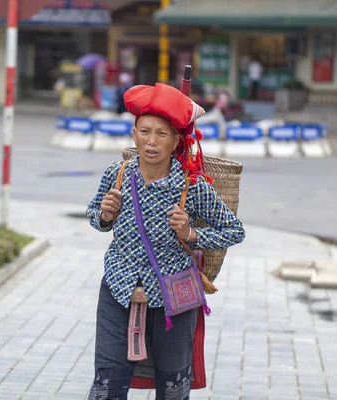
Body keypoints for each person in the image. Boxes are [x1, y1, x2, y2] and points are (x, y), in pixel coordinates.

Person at [86, 82, 245, 400]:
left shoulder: (192, 187)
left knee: (173, 387)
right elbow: (95, 217)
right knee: (106, 383)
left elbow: (234, 230)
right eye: (145, 132)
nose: (151, 141)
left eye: (161, 134)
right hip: (119, 285)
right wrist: (104, 215)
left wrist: (191, 234)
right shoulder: (116, 175)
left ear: (176, 141)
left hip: (174, 293)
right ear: (134, 135)